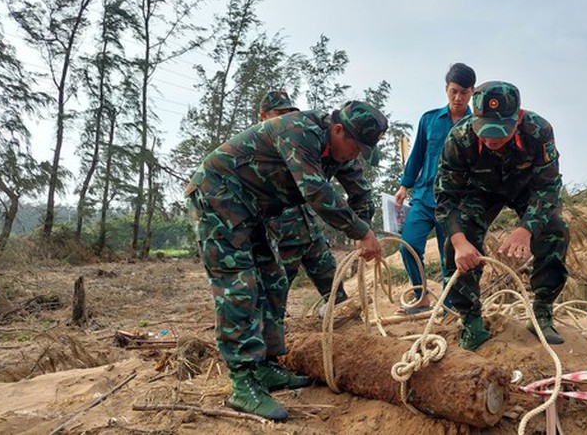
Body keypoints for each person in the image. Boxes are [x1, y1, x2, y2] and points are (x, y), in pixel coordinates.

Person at [185, 101, 387, 420]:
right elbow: (316, 191)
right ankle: (242, 383)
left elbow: (360, 192)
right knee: (239, 286)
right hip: (219, 196)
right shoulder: (299, 131)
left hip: (257, 209)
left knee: (274, 281)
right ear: (337, 130)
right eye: (355, 147)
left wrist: (365, 224)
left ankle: (265, 365)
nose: (356, 155)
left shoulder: (342, 150)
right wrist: (360, 232)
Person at [435, 80, 569, 351]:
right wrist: (461, 243)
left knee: (555, 229)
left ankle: (542, 312)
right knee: (456, 243)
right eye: (484, 131)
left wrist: (526, 229)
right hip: (480, 191)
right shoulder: (459, 139)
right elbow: (445, 197)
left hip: (526, 188)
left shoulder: (539, 130)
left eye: (500, 132)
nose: (492, 139)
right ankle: (471, 321)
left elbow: (548, 188)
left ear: (517, 118)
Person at [258, 91, 355, 313]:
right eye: (279, 113)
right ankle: (275, 337)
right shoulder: (261, 151)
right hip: (282, 237)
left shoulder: (304, 141)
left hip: (311, 233)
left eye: (289, 112)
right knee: (275, 294)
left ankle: (344, 333)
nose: (286, 117)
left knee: (335, 290)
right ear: (263, 116)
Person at [393, 63, 476, 313]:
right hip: (424, 198)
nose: (458, 98)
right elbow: (417, 154)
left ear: (472, 92)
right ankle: (421, 297)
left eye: (464, 92)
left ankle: (449, 308)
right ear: (446, 89)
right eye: (453, 91)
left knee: (448, 256)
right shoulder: (430, 120)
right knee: (407, 245)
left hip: (454, 202)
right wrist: (404, 185)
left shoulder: (477, 124)